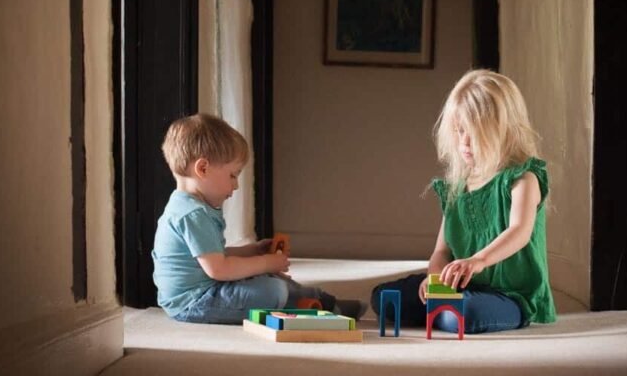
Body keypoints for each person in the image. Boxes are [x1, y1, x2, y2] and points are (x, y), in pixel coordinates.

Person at [371, 70, 556, 333]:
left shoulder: (523, 178)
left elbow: (520, 232)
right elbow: (442, 251)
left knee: (462, 314)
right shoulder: (457, 188)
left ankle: (443, 312)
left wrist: (477, 261)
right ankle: (441, 309)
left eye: (475, 133)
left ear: (504, 130)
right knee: (384, 297)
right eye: (459, 131)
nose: (465, 143)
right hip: (462, 286)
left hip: (510, 295)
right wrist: (435, 279)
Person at [153, 113, 366, 324]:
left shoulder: (194, 207)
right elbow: (219, 269)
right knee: (272, 290)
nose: (236, 185)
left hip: (209, 288)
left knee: (271, 280)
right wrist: (265, 263)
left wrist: (253, 251)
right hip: (193, 302)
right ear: (203, 169)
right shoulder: (192, 214)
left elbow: (212, 256)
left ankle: (323, 302)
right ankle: (305, 307)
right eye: (232, 175)